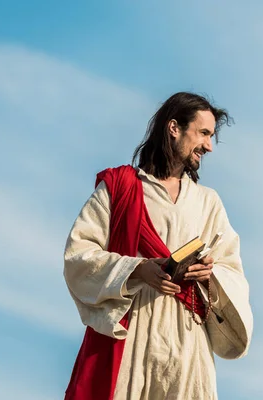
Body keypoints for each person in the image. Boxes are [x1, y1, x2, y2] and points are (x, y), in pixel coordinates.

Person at [63, 92, 253, 400]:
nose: (209, 145)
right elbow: (79, 255)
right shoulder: (120, 188)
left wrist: (210, 274)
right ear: (174, 128)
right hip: (133, 337)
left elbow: (231, 269)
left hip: (189, 346)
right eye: (203, 133)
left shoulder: (208, 203)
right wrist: (137, 269)